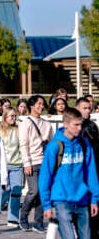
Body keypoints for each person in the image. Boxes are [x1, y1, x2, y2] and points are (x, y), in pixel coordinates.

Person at [39, 108, 99, 239]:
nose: (79, 128)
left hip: (82, 199)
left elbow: (91, 172)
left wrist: (94, 199)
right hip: (61, 200)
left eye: (80, 124)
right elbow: (45, 177)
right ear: (65, 124)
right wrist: (46, 205)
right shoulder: (55, 146)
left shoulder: (84, 144)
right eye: (76, 125)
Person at [18, 95, 53, 233]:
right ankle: (23, 217)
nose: (41, 106)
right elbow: (23, 144)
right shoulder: (25, 122)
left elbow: (52, 142)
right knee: (34, 191)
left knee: (42, 192)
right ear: (31, 105)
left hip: (44, 162)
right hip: (31, 162)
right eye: (39, 104)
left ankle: (38, 222)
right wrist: (26, 163)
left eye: (43, 104)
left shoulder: (47, 124)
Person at [76, 97, 99, 239]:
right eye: (84, 108)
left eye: (89, 108)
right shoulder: (74, 128)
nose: (87, 110)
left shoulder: (92, 125)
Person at [0, 107, 23, 227]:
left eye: (15, 116)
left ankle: (13, 218)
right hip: (4, 165)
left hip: (17, 165)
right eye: (11, 116)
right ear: (5, 117)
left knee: (16, 192)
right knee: (4, 190)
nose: (13, 118)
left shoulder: (19, 130)